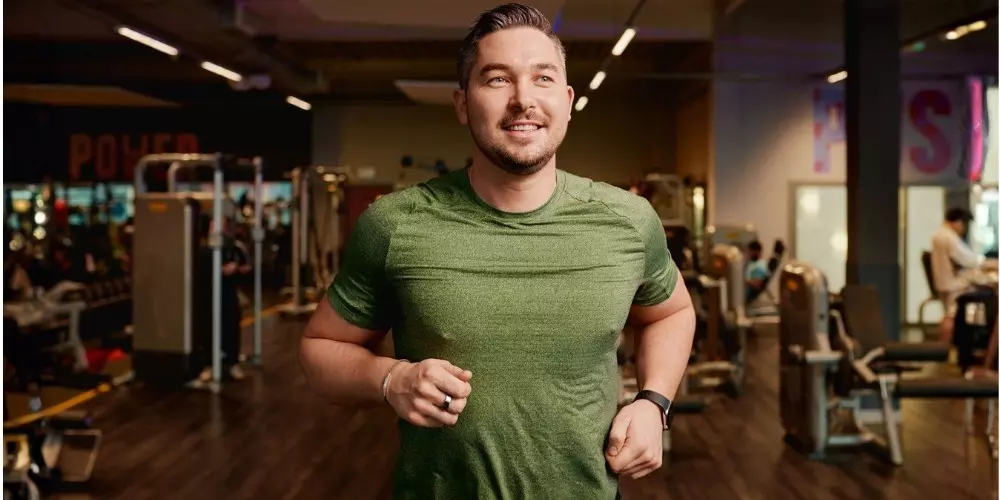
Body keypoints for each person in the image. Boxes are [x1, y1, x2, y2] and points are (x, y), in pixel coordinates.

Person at [299, 4, 695, 499]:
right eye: (497, 79)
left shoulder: (629, 221)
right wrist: (390, 378)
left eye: (543, 78)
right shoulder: (395, 224)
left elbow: (671, 312)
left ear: (567, 101)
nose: (523, 99)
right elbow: (319, 349)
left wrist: (653, 402)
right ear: (463, 103)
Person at [198, 215, 250, 382]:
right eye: (214, 224)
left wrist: (236, 269)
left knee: (231, 328)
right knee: (208, 328)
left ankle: (232, 363)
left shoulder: (234, 247)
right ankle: (209, 364)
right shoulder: (201, 248)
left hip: (228, 293)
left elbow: (247, 267)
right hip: (207, 294)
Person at [931, 207, 983, 345]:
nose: (964, 229)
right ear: (958, 222)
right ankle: (945, 348)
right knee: (951, 316)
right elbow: (968, 260)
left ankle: (948, 347)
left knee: (950, 314)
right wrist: (986, 263)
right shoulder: (947, 237)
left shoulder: (942, 235)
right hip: (952, 285)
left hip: (948, 283)